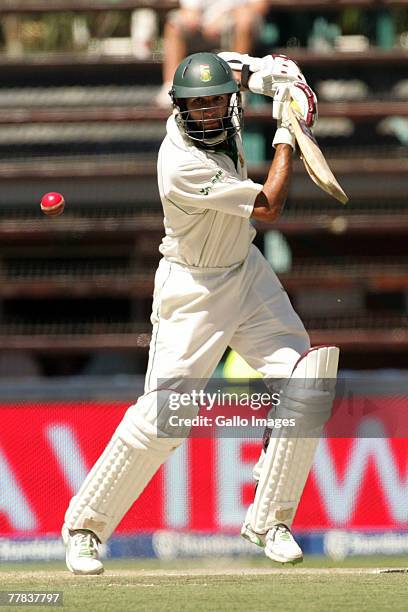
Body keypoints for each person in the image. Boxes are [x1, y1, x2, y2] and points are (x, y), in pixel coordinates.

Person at [62, 51, 339, 574]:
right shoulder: (180, 165)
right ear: (180, 108)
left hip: (246, 270)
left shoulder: (221, 102)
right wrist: (287, 131)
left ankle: (270, 518)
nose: (210, 112)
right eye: (198, 105)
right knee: (164, 420)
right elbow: (269, 205)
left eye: (218, 102)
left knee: (309, 380)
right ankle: (84, 529)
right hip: (192, 288)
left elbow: (241, 65)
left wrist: (270, 75)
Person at [156, 0, 268, 106]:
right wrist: (198, 19)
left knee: (244, 19)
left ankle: (237, 86)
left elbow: (260, 6)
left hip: (238, 23)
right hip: (204, 23)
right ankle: (171, 85)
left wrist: (224, 13)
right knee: (174, 24)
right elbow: (190, 10)